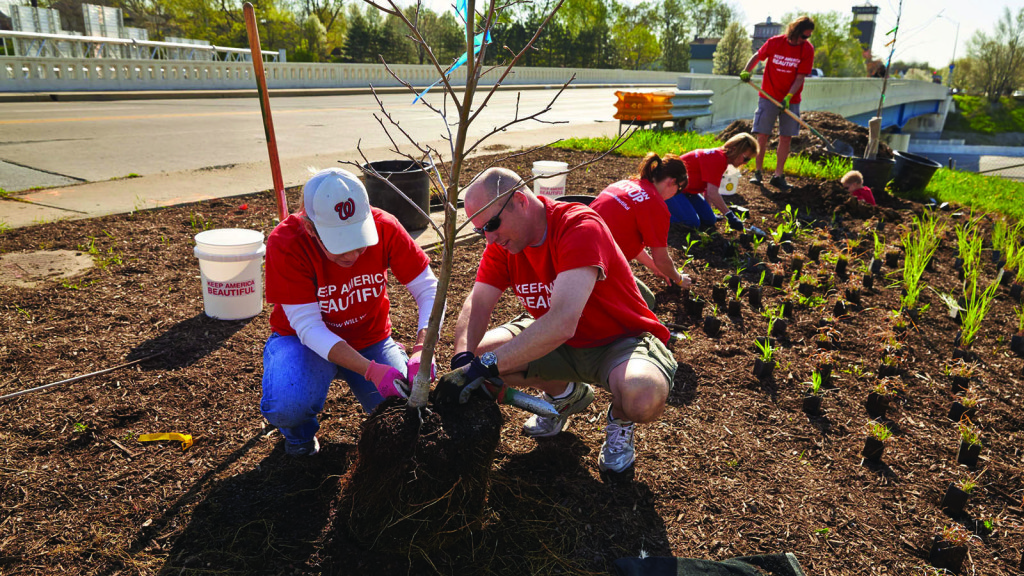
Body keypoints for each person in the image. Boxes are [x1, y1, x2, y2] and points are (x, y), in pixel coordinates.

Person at [433, 167, 678, 475]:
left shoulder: (578, 226)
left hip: (619, 340)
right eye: (481, 230)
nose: (489, 237)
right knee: (480, 356)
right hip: (555, 342)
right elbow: (478, 302)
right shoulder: (502, 244)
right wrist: (464, 361)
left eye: (492, 224)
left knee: (642, 396)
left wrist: (480, 369)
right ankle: (564, 396)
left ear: (521, 201)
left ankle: (621, 419)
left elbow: (562, 321)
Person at [261, 168, 439, 457]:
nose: (352, 256)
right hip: (302, 342)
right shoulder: (286, 242)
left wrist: (423, 347)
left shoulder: (386, 226)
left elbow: (429, 288)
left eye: (358, 241)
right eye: (339, 245)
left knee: (404, 411)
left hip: (369, 339)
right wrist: (370, 371)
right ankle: (300, 438)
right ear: (309, 227)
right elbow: (309, 328)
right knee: (288, 405)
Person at [589, 152, 692, 299]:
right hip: (595, 267)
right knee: (648, 302)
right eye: (679, 189)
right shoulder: (655, 205)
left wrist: (654, 267)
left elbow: (624, 237)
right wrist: (679, 278)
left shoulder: (626, 183)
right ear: (672, 182)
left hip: (576, 248)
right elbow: (662, 259)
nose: (676, 194)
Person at [739, 15, 816, 192]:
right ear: (794, 31)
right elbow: (757, 57)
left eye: (808, 37)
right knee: (762, 134)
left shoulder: (807, 50)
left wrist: (788, 97)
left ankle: (778, 176)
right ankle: (757, 173)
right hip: (768, 95)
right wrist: (746, 71)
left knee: (786, 137)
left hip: (792, 99)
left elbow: (800, 77)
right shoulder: (775, 42)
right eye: (804, 36)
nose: (805, 40)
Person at [664, 133, 759, 231]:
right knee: (691, 223)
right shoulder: (718, 159)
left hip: (686, 191)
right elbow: (712, 193)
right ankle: (657, 213)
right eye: (746, 158)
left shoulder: (721, 158)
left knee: (709, 220)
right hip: (670, 187)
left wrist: (708, 212)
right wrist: (729, 215)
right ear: (735, 149)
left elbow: (708, 188)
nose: (745, 163)